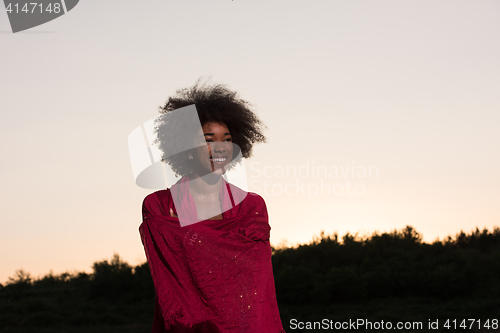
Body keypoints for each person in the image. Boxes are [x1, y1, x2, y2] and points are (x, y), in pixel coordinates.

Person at [139, 79, 286, 332]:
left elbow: (257, 289)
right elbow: (172, 285)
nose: (220, 147)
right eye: (209, 139)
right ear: (185, 148)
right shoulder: (160, 206)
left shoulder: (252, 206)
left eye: (227, 139)